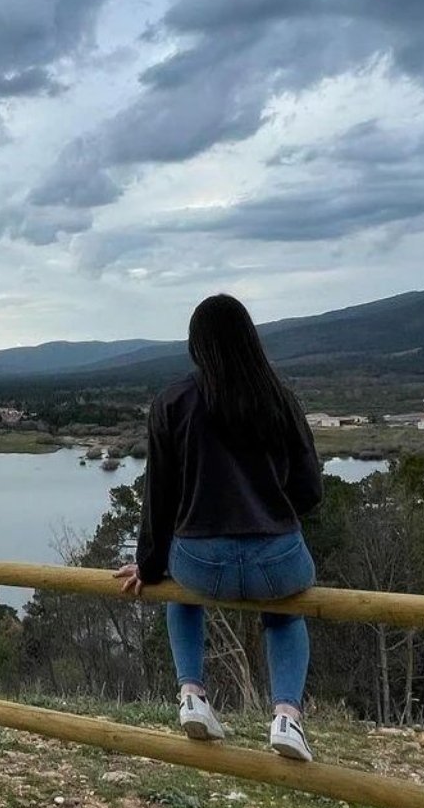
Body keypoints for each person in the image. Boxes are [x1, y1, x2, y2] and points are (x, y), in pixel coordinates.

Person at [113, 294, 323, 761]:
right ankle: (286, 715)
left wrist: (149, 567)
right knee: (285, 612)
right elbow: (310, 491)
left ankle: (192, 693)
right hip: (277, 560)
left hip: (201, 564)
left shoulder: (172, 402)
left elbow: (159, 500)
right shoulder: (280, 400)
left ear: (195, 345)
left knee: (177, 592)